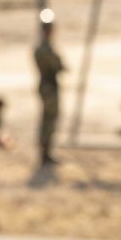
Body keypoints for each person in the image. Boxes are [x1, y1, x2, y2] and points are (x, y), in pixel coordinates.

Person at [34, 9, 66, 165]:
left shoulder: (42, 48)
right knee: (49, 120)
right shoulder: (46, 49)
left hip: (46, 86)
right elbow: (58, 66)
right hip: (49, 87)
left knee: (48, 119)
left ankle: (45, 152)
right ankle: (45, 152)